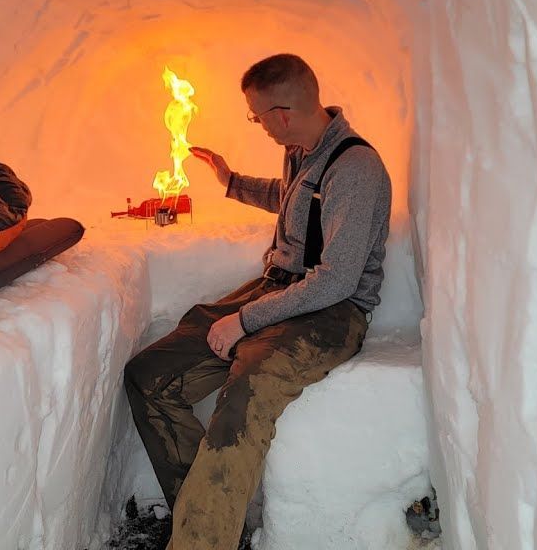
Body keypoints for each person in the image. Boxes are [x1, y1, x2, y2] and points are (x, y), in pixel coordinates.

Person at [124, 53, 393, 550]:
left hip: (331, 313)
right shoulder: (302, 151)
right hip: (279, 291)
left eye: (257, 116)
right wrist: (230, 182)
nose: (259, 126)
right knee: (148, 376)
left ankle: (200, 542)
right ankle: (203, 520)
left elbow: (334, 283)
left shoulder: (356, 169)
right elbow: (295, 201)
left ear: (282, 113)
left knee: (244, 394)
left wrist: (245, 320)